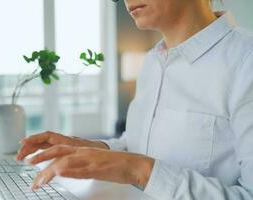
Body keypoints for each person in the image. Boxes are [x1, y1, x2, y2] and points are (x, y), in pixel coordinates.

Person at [16, 0, 253, 199]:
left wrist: (137, 170)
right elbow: (138, 144)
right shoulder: (152, 61)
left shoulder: (246, 60)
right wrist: (88, 148)